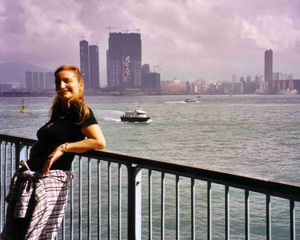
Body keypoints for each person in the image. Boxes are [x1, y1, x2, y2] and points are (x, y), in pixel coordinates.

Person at [0, 65, 106, 240]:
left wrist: (63, 148)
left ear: (80, 85)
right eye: (58, 82)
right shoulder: (60, 111)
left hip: (49, 181)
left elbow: (99, 141)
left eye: (67, 81)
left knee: (36, 234)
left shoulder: (79, 109)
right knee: (19, 233)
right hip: (33, 177)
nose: (62, 86)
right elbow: (56, 134)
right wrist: (40, 145)